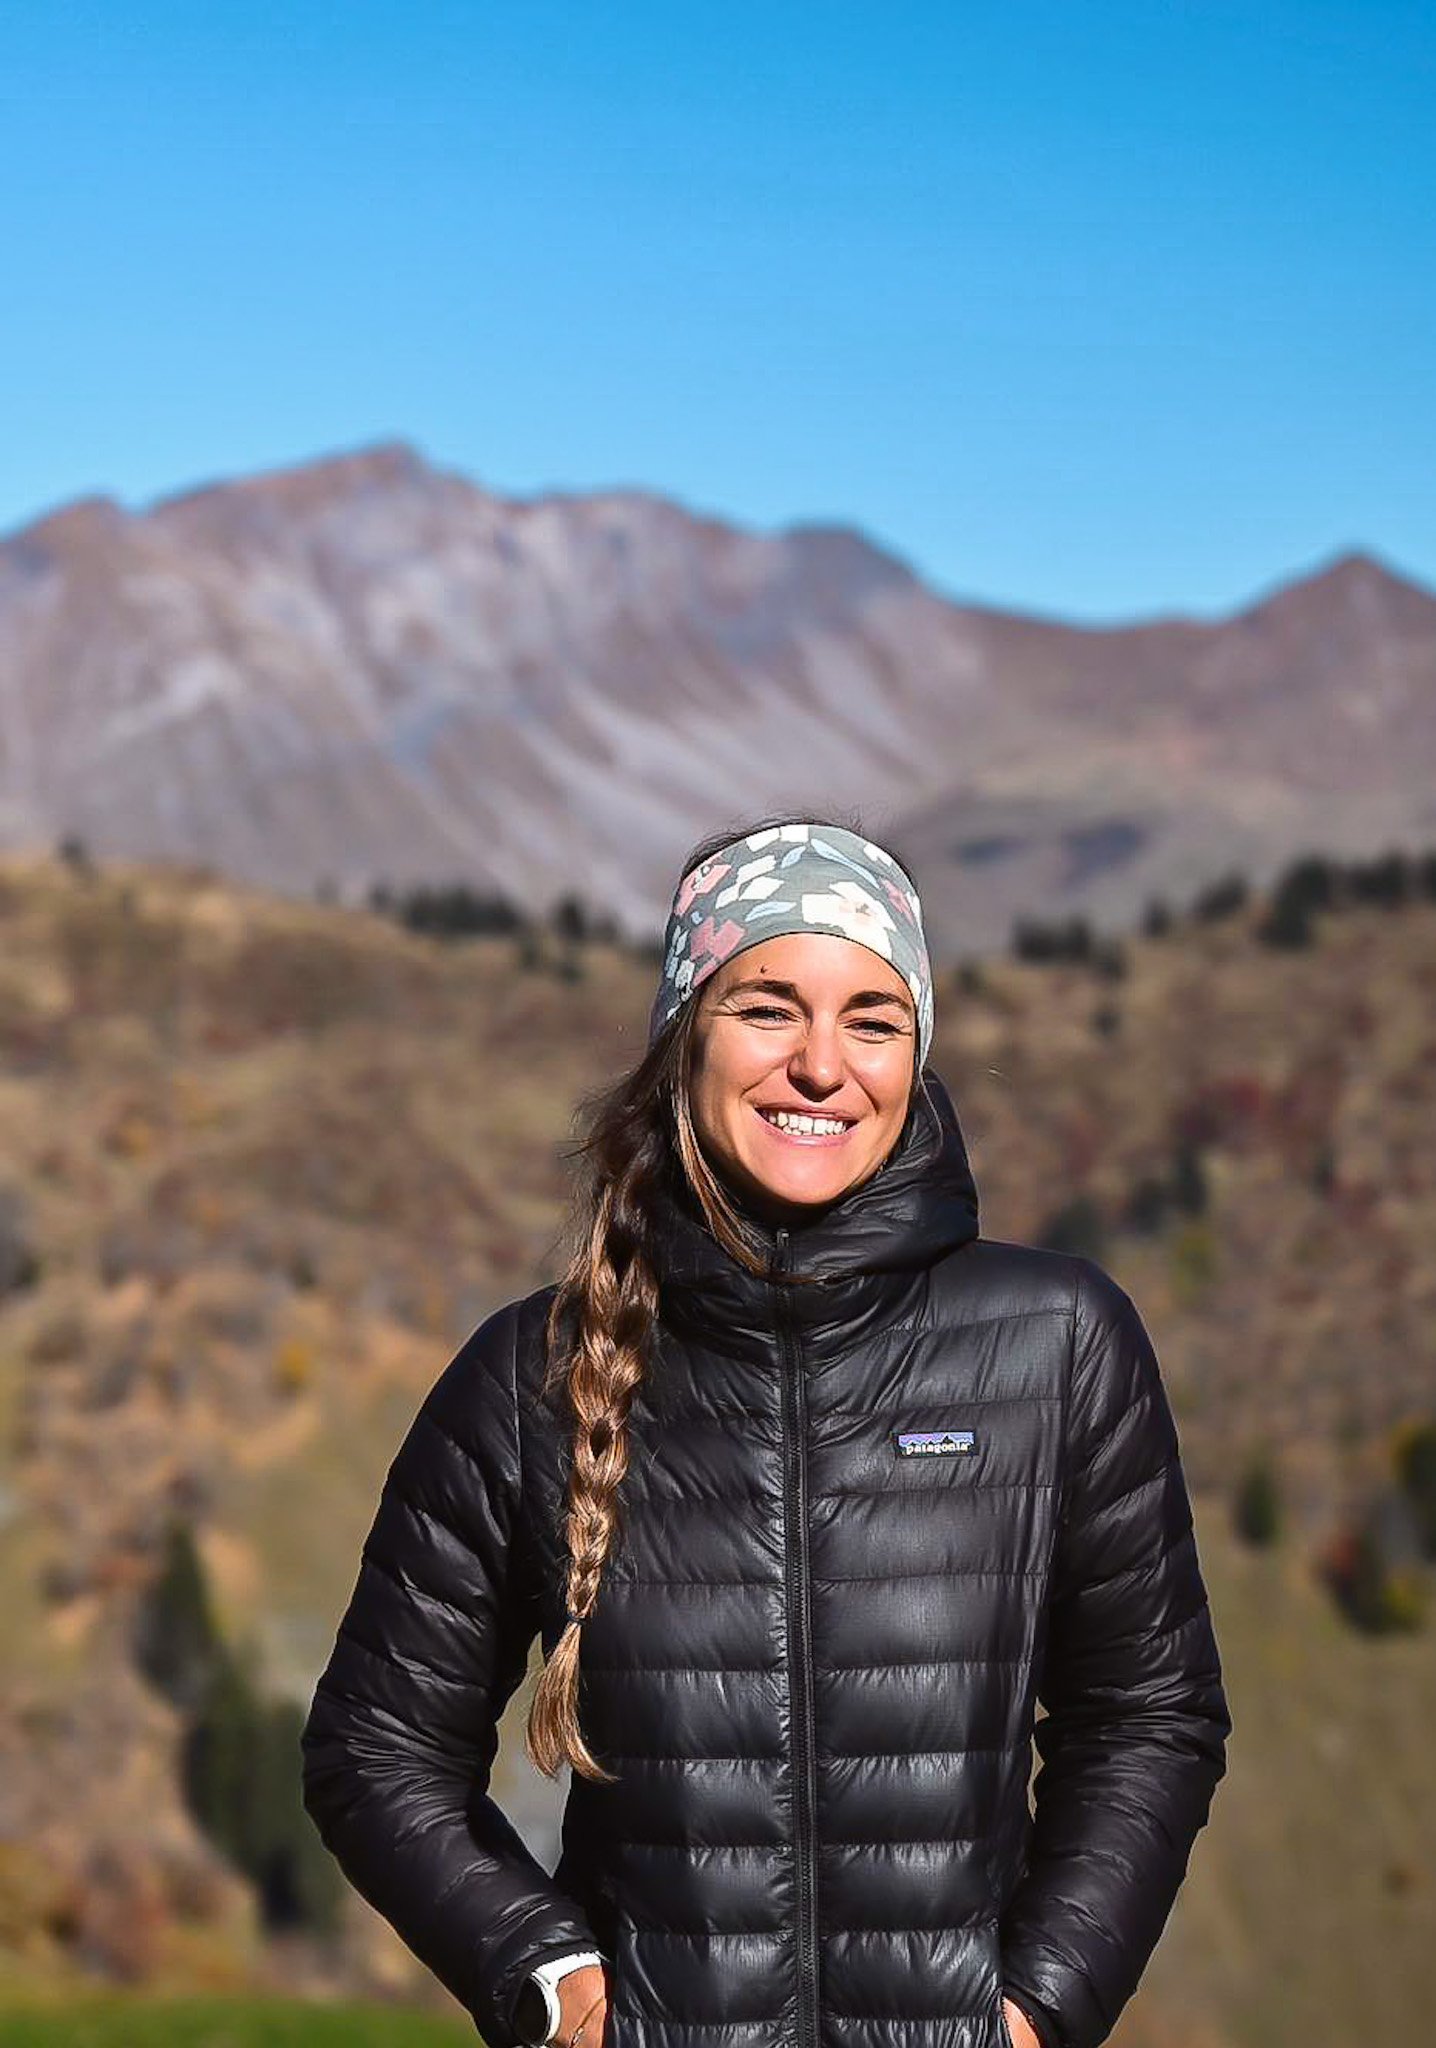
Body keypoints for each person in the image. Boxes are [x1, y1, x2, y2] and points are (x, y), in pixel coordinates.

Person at [301, 813, 1231, 2048]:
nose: (818, 1064)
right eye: (766, 1006)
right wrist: (555, 1985)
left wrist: (1033, 2010)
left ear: (917, 1053)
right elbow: (374, 1749)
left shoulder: (1057, 1341)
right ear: (685, 1035)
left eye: (871, 1018)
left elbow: (1148, 1716)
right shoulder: (531, 1376)